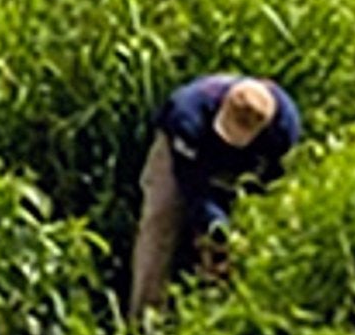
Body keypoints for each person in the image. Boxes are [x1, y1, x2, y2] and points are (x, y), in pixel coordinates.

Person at [126, 71, 300, 319]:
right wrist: (213, 222)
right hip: (185, 156)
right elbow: (192, 184)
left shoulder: (284, 126)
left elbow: (272, 179)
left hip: (244, 164)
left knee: (241, 238)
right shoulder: (186, 113)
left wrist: (238, 226)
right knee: (161, 219)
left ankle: (220, 311)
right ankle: (144, 319)